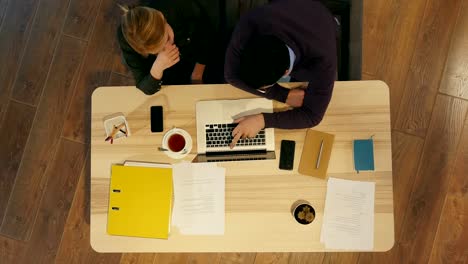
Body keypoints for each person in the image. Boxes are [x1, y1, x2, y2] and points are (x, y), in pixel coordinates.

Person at [224, 0, 337, 148]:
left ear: (285, 73)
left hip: (320, 22)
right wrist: (282, 95)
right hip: (285, 13)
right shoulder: (251, 22)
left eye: (265, 87)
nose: (263, 90)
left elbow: (313, 116)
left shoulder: (324, 61)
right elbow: (231, 75)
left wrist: (262, 121)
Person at [117, 0, 223, 95]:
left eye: (167, 38)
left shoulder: (179, 6)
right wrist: (157, 68)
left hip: (195, 55)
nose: (168, 48)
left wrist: (197, 74)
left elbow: (207, 34)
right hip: (167, 71)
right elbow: (144, 85)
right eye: (159, 50)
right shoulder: (128, 39)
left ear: (162, 16)